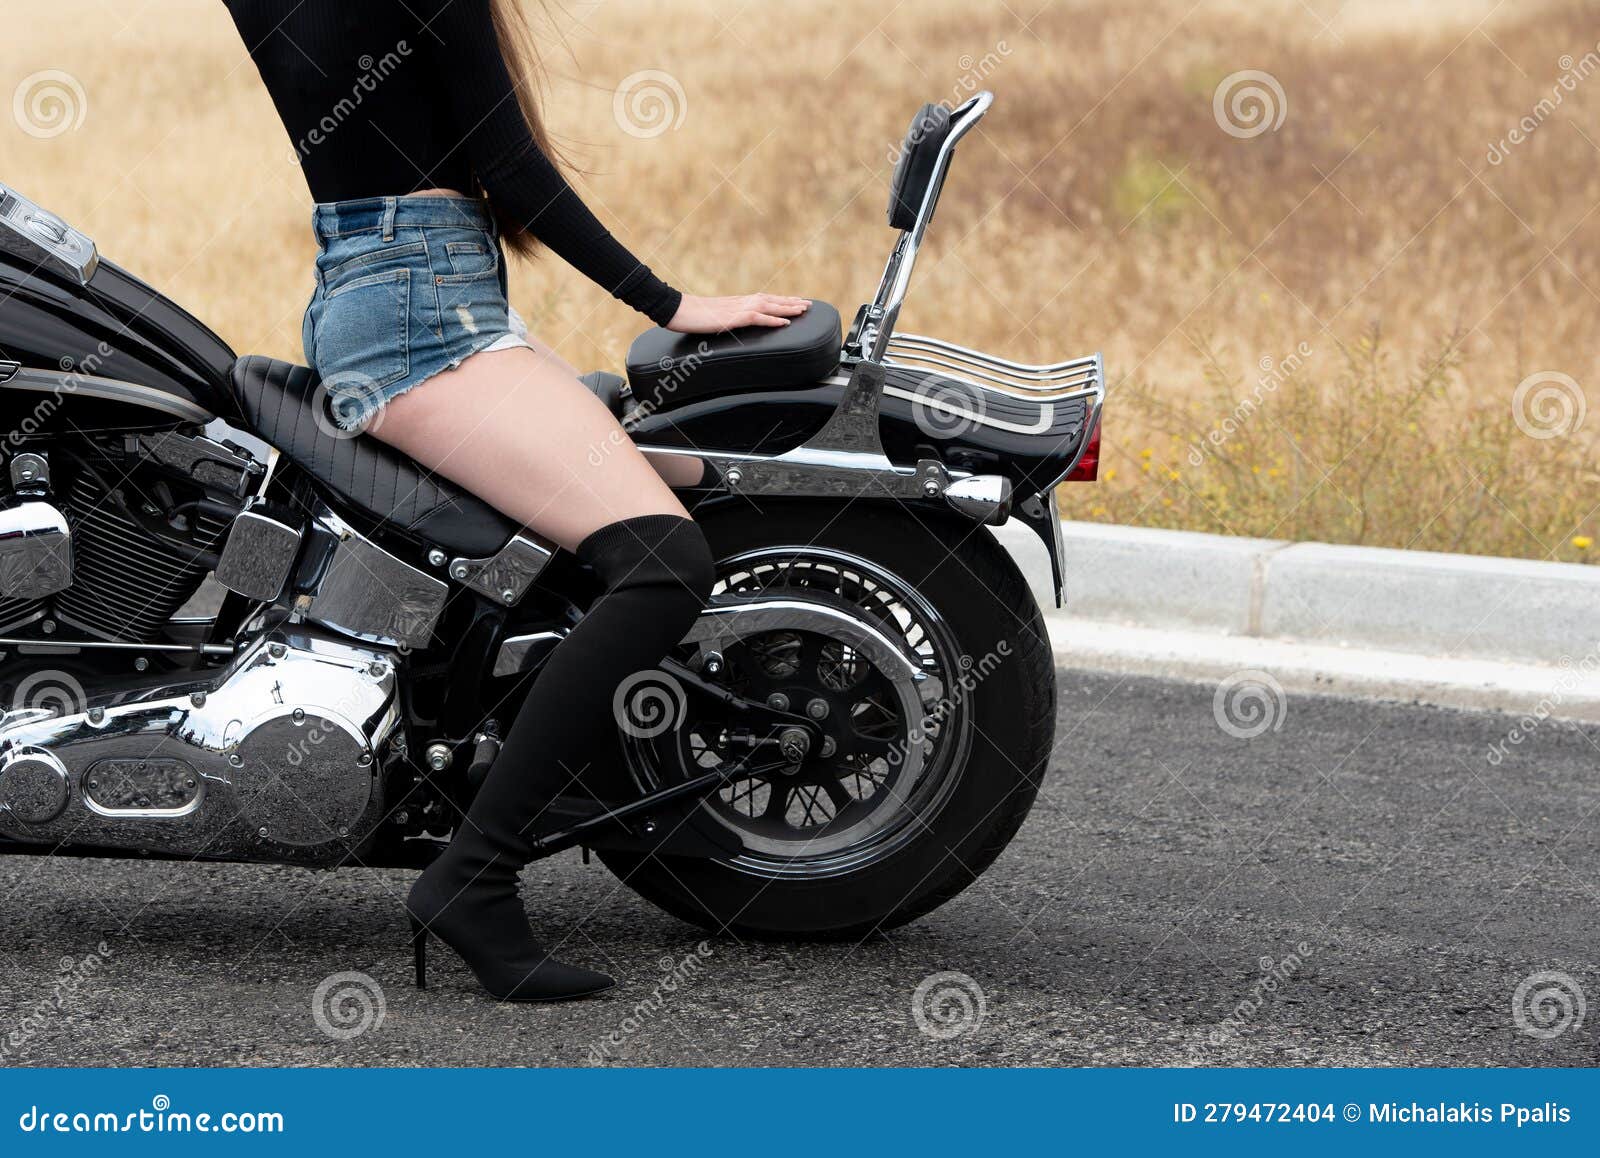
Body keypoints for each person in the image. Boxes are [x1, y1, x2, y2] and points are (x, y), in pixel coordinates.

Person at [224, 0, 810, 1002]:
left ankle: (569, 776)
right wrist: (673, 305)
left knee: (677, 483)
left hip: (387, 296)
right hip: (426, 323)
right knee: (663, 563)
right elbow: (511, 165)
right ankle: (474, 875)